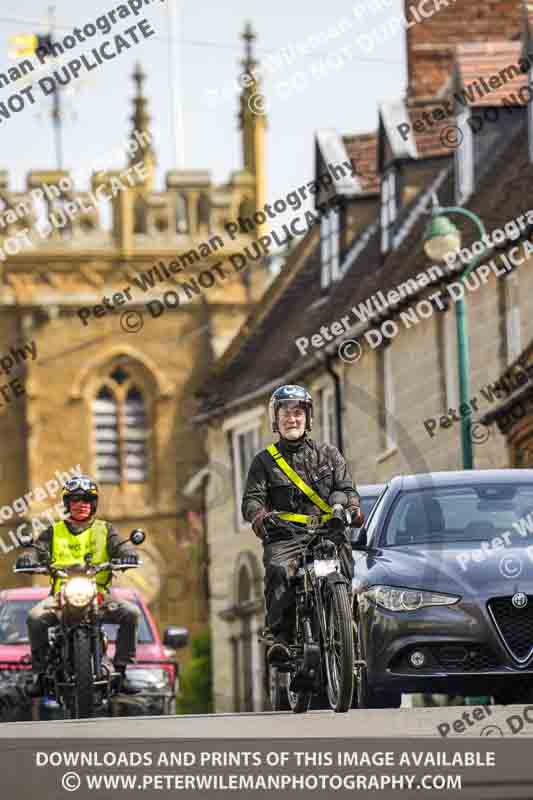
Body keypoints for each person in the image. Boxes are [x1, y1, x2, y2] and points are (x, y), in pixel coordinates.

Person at [242, 384, 362, 663]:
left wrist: (351, 508)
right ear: (276, 419)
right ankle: (279, 637)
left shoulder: (329, 454)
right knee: (278, 570)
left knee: (345, 570)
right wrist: (260, 517)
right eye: (285, 414)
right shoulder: (263, 462)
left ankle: (347, 624)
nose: (292, 419)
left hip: (327, 531)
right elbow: (251, 500)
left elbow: (348, 488)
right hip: (285, 536)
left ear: (308, 418)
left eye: (298, 413)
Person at [17, 475, 141, 696]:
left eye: (87, 499)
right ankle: (41, 674)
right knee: (34, 617)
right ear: (67, 504)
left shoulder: (106, 529)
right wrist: (29, 557)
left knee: (131, 613)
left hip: (98, 595)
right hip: (60, 597)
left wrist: (128, 554)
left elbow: (120, 547)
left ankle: (121, 672)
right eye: (75, 499)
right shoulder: (54, 531)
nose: (81, 504)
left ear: (93, 504)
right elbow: (38, 549)